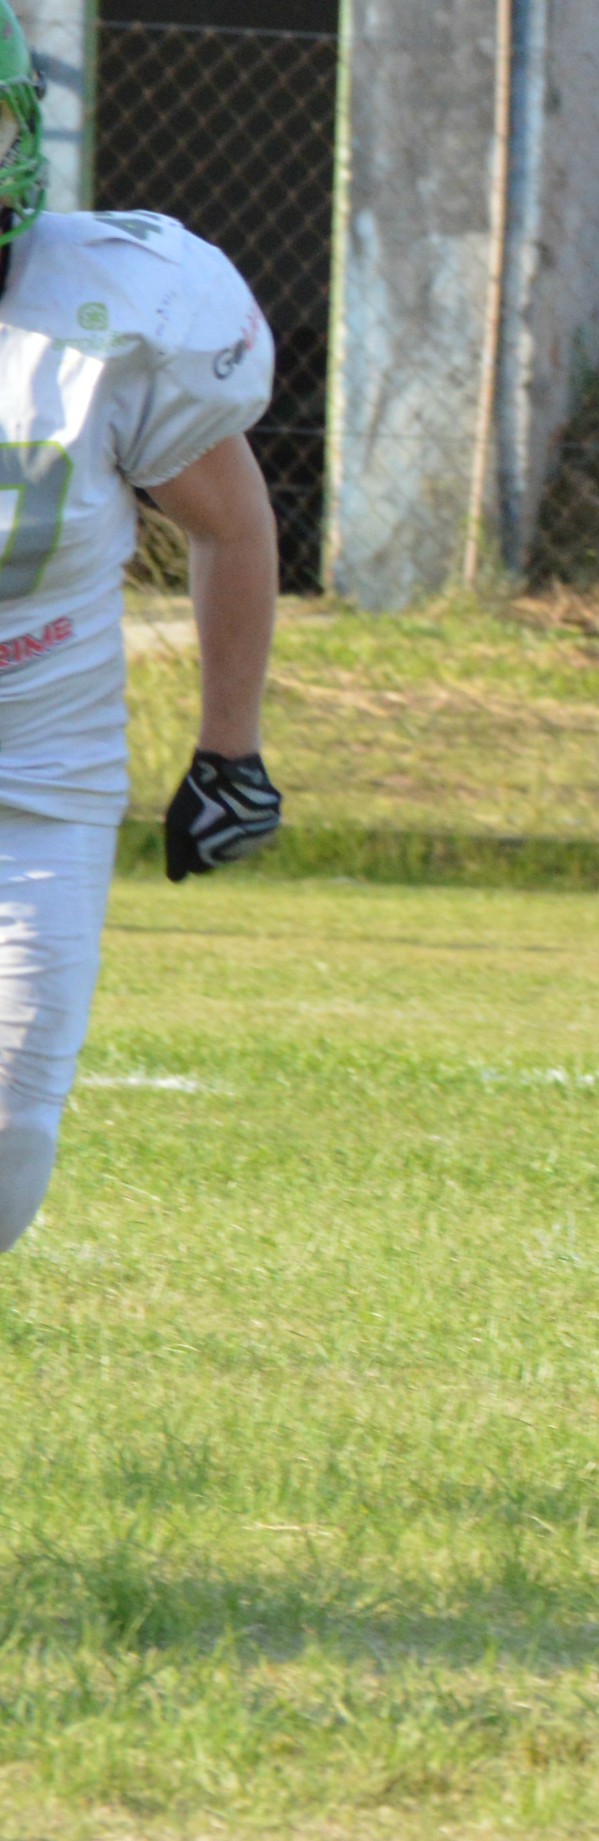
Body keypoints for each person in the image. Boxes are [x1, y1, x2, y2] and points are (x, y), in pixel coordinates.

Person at [0, 4, 282, 1255]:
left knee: (7, 1157)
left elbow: (229, 526)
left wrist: (230, 750)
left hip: (39, 786)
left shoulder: (105, 305)